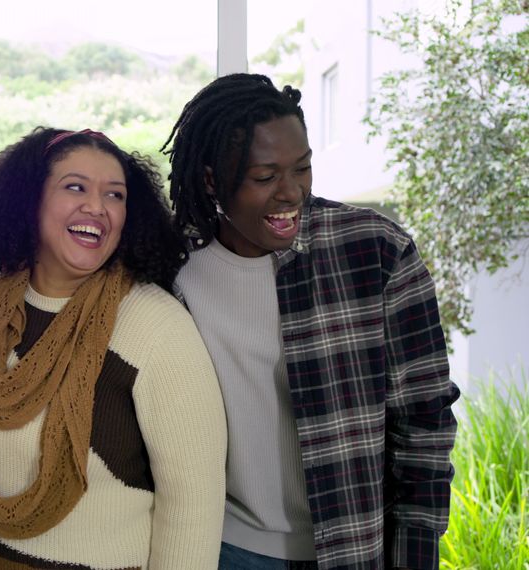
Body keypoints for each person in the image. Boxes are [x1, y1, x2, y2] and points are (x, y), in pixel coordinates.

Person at [162, 73, 459, 570]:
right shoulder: (173, 267)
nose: (291, 192)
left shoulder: (375, 250)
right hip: (222, 547)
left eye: (302, 168)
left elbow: (425, 418)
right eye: (265, 177)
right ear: (212, 180)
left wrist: (415, 552)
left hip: (351, 548)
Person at [0, 127, 227, 568]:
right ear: (30, 200)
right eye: (75, 187)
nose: (97, 207)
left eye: (115, 195)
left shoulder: (156, 326)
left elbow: (194, 505)